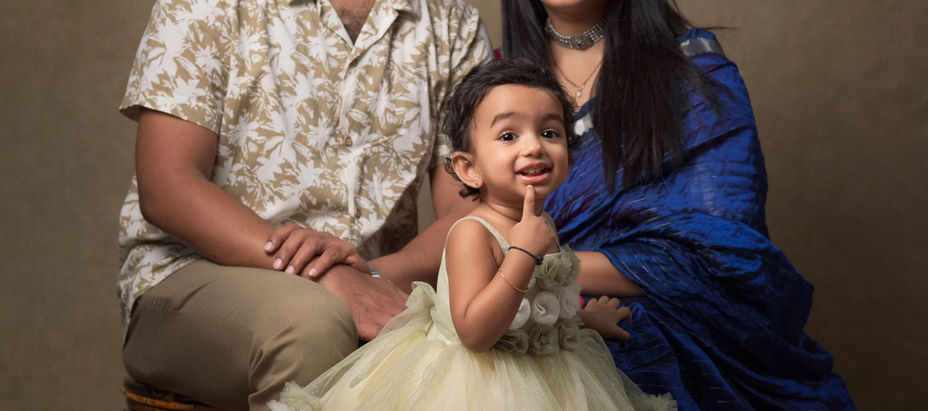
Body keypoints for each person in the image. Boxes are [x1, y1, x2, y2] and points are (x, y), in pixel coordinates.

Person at [116, 0, 491, 409]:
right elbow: (168, 187)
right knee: (312, 325)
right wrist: (326, 276)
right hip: (190, 273)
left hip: (382, 280)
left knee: (491, 332)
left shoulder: (453, 22)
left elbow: (471, 207)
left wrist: (370, 275)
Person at [501, 1, 856, 410]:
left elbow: (721, 254)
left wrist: (533, 263)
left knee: (629, 348)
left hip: (664, 327)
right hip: (529, 301)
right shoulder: (496, 78)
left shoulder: (693, 70)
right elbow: (472, 222)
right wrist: (408, 267)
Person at [268, 58, 675, 411]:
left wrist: (582, 318)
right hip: (479, 378)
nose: (534, 146)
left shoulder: (540, 223)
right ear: (468, 168)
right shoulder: (471, 233)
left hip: (549, 370)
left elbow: (538, 299)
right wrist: (520, 254)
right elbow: (474, 331)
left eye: (549, 133)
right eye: (508, 136)